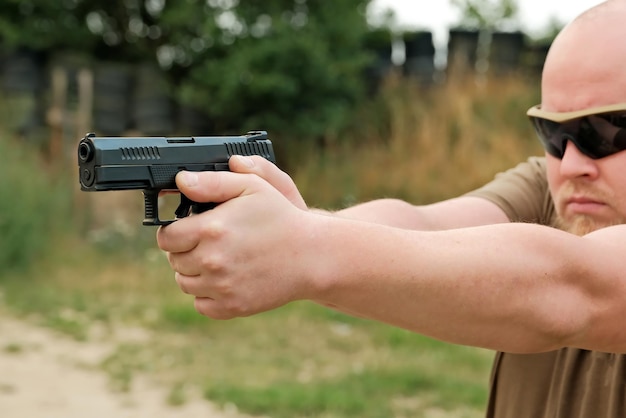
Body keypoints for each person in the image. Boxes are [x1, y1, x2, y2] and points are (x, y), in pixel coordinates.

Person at [156, 1, 626, 416]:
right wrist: (293, 226)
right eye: (552, 133)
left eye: (605, 131)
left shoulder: (575, 221)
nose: (571, 163)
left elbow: (570, 289)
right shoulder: (554, 186)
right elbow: (424, 225)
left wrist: (309, 249)